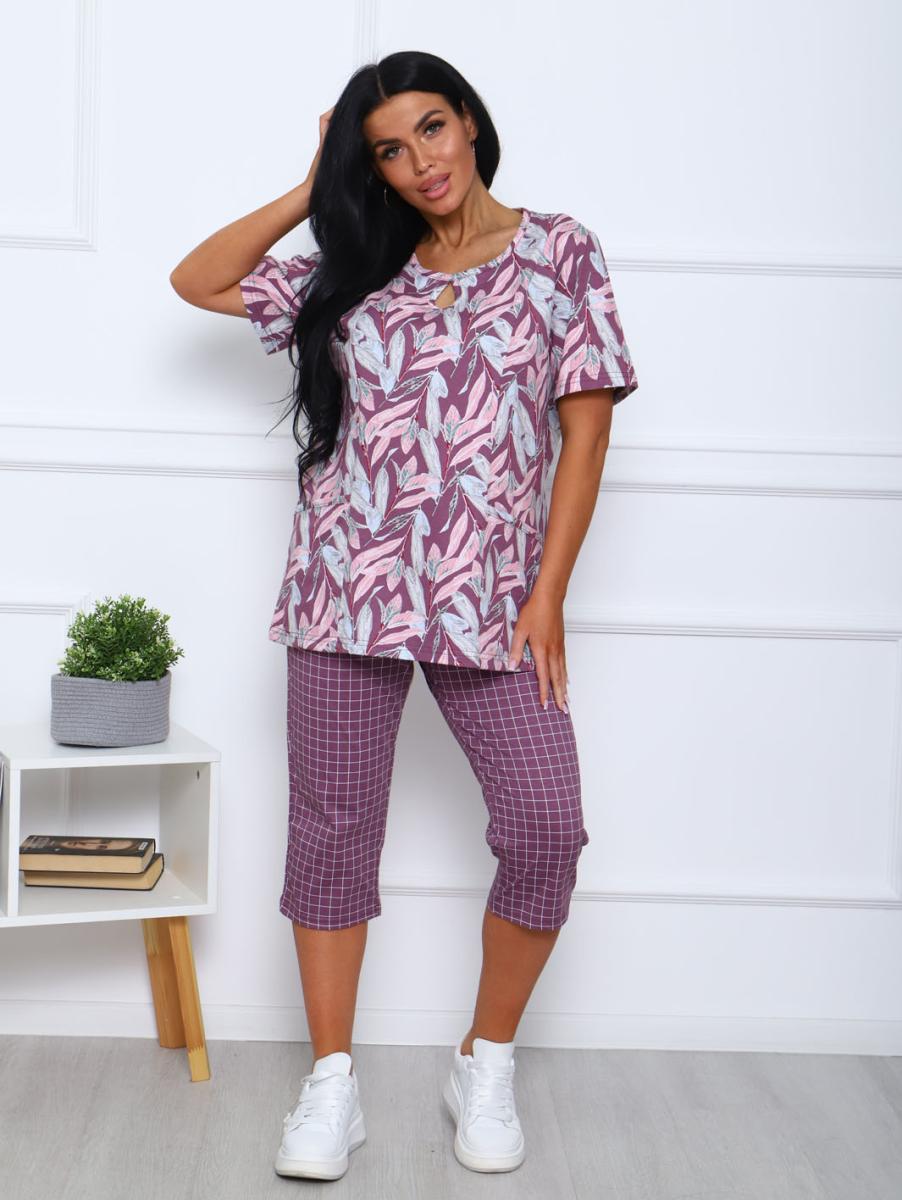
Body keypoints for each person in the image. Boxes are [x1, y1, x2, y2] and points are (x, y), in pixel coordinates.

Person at [170, 49, 638, 1183]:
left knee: (545, 829)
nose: (420, 160)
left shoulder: (559, 251)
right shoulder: (354, 266)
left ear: (470, 122)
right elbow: (198, 278)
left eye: (432, 127)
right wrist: (313, 184)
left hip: (494, 604)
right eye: (387, 148)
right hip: (345, 593)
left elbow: (584, 435)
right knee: (332, 833)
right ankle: (332, 1084)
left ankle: (485, 1060)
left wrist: (548, 595)